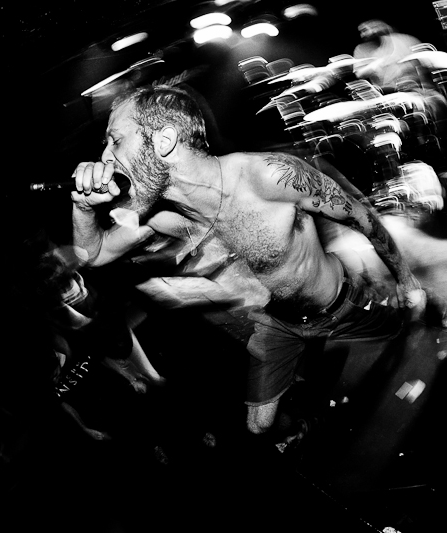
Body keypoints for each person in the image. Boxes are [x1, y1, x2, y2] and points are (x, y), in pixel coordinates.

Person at [69, 85, 426, 436]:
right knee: (259, 426)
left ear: (164, 141)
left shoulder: (269, 176)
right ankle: (308, 425)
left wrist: (406, 279)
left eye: (116, 140)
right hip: (281, 322)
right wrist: (83, 207)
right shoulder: (163, 218)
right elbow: (93, 255)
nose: (105, 158)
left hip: (341, 302)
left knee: (403, 337)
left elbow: (362, 219)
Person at [353, 19, 422, 90]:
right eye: (363, 30)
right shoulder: (361, 49)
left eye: (374, 26)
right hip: (385, 91)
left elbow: (422, 63)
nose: (367, 33)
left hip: (413, 87)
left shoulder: (406, 41)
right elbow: (359, 74)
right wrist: (374, 65)